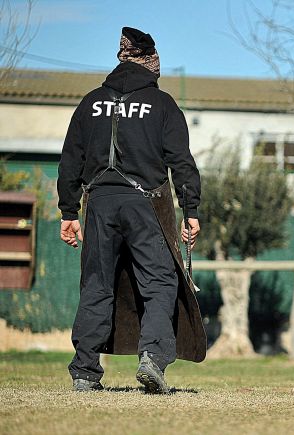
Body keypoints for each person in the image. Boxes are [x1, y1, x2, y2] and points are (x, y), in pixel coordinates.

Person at [58, 27, 206, 393]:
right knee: (160, 282)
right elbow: (181, 161)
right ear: (151, 63)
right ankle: (152, 359)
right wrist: (190, 209)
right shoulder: (162, 104)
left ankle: (84, 371)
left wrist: (68, 212)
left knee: (96, 285)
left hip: (98, 204)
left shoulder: (91, 102)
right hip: (145, 205)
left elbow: (70, 161)